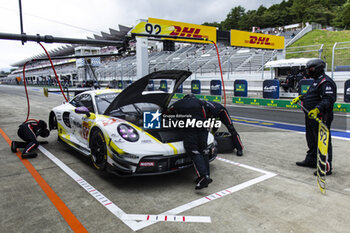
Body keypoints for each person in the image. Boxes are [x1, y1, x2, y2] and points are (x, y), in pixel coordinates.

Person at [291, 58, 336, 176]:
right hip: (310, 116)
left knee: (322, 141)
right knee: (311, 139)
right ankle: (311, 160)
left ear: (318, 69)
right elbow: (313, 94)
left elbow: (328, 99)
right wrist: (302, 97)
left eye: (310, 69)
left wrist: (317, 109)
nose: (308, 71)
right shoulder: (316, 80)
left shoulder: (326, 82)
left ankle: (325, 166)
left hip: (321, 116)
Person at [169, 94, 212, 190]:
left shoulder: (179, 103)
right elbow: (210, 111)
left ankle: (204, 176)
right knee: (203, 150)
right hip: (203, 127)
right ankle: (206, 176)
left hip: (190, 127)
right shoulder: (202, 101)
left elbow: (168, 112)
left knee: (193, 150)